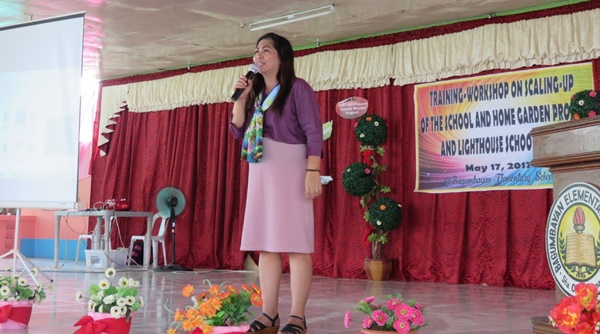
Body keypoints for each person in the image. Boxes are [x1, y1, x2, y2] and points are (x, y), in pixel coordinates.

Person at [229, 32, 323, 334]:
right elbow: (237, 132)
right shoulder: (254, 93)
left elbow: (313, 132)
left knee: (296, 244)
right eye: (257, 51)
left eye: (266, 50)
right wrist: (240, 99)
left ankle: (298, 316)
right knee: (267, 245)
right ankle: (269, 314)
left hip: (292, 168)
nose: (259, 55)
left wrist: (312, 171)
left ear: (282, 57)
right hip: (261, 170)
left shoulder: (298, 89)